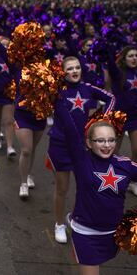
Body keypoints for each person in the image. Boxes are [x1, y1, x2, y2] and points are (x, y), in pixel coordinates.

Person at [54, 97, 136, 275]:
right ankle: (72, 220)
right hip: (86, 234)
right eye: (100, 141)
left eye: (111, 140)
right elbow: (69, 129)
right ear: (89, 143)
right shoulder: (82, 159)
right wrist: (56, 98)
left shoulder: (125, 165)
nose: (106, 145)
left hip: (114, 233)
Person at [47, 56, 115, 244]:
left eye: (77, 67)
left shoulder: (87, 88)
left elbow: (110, 98)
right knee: (62, 188)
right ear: (63, 72)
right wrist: (85, 136)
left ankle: (77, 218)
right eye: (69, 69)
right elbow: (67, 122)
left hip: (82, 147)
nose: (74, 71)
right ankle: (59, 223)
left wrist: (100, 122)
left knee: (85, 185)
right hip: (61, 146)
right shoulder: (57, 91)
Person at [106, 46, 137, 195]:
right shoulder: (119, 74)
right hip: (119, 116)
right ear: (124, 59)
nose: (134, 58)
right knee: (113, 150)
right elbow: (111, 64)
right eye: (130, 56)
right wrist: (107, 50)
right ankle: (109, 177)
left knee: (136, 149)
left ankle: (133, 181)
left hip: (135, 116)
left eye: (136, 56)